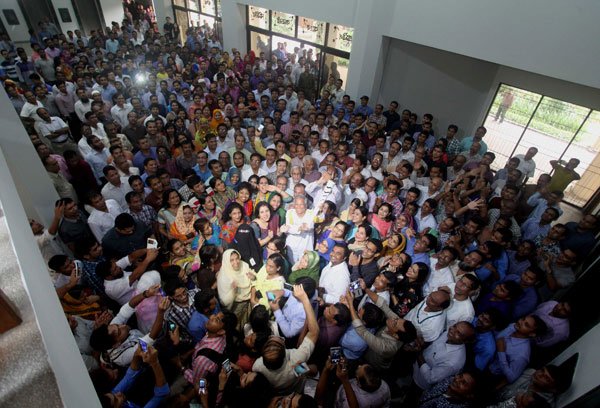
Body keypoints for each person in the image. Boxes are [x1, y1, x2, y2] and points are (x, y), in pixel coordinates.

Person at [252, 284, 320, 394]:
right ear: (285, 350)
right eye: (280, 340)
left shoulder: (257, 366)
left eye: (270, 339)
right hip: (294, 390)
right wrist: (305, 300)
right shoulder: (296, 365)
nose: (274, 336)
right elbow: (314, 332)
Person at [413, 322, 476, 390]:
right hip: (415, 366)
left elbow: (430, 378)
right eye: (454, 326)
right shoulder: (448, 334)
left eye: (458, 333)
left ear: (465, 341)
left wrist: (418, 354)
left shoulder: (453, 362)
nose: (452, 330)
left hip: (421, 382)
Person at [217, 249, 255, 330]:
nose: (236, 262)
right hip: (236, 305)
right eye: (231, 260)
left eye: (237, 258)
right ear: (226, 261)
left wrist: (253, 277)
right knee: (236, 327)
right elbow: (224, 301)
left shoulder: (244, 265)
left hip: (250, 299)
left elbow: (252, 275)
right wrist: (233, 291)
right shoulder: (223, 276)